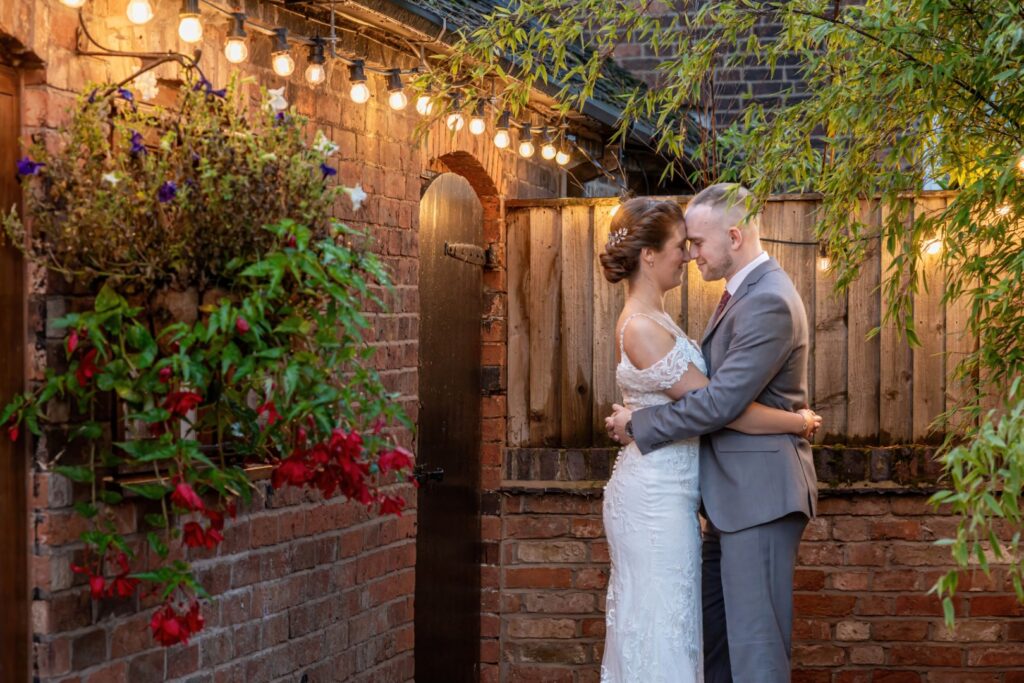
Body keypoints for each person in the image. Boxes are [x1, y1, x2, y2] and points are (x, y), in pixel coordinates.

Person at [598, 195, 820, 683]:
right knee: (684, 639)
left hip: (750, 497)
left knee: (745, 651)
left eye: (696, 242)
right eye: (684, 244)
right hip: (684, 498)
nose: (691, 254)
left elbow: (719, 404)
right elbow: (719, 401)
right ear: (648, 255)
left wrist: (640, 424)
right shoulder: (669, 315)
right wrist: (796, 422)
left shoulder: (764, 297)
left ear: (734, 237)